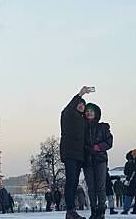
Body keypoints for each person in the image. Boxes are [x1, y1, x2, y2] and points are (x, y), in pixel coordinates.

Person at [61, 87, 90, 219]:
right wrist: (80, 94)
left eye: (83, 105)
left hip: (79, 155)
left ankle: (71, 211)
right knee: (71, 181)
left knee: (74, 182)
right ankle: (70, 210)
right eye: (79, 104)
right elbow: (68, 108)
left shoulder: (83, 121)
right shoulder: (68, 116)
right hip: (70, 153)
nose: (81, 106)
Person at [82, 102, 113, 219]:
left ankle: (101, 210)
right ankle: (93, 210)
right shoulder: (83, 129)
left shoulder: (102, 127)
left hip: (100, 160)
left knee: (100, 186)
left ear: (96, 113)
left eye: (91, 111)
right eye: (87, 111)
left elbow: (109, 142)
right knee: (91, 187)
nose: (89, 112)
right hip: (87, 161)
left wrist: (97, 147)